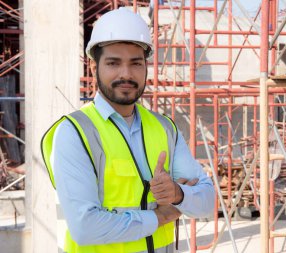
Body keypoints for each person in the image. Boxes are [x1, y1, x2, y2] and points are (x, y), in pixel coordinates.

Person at [41, 7, 215, 253]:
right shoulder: (75, 132)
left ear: (145, 67)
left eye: (136, 63)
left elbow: (208, 202)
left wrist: (177, 193)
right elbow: (85, 226)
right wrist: (159, 216)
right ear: (94, 68)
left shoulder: (164, 128)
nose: (126, 74)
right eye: (113, 63)